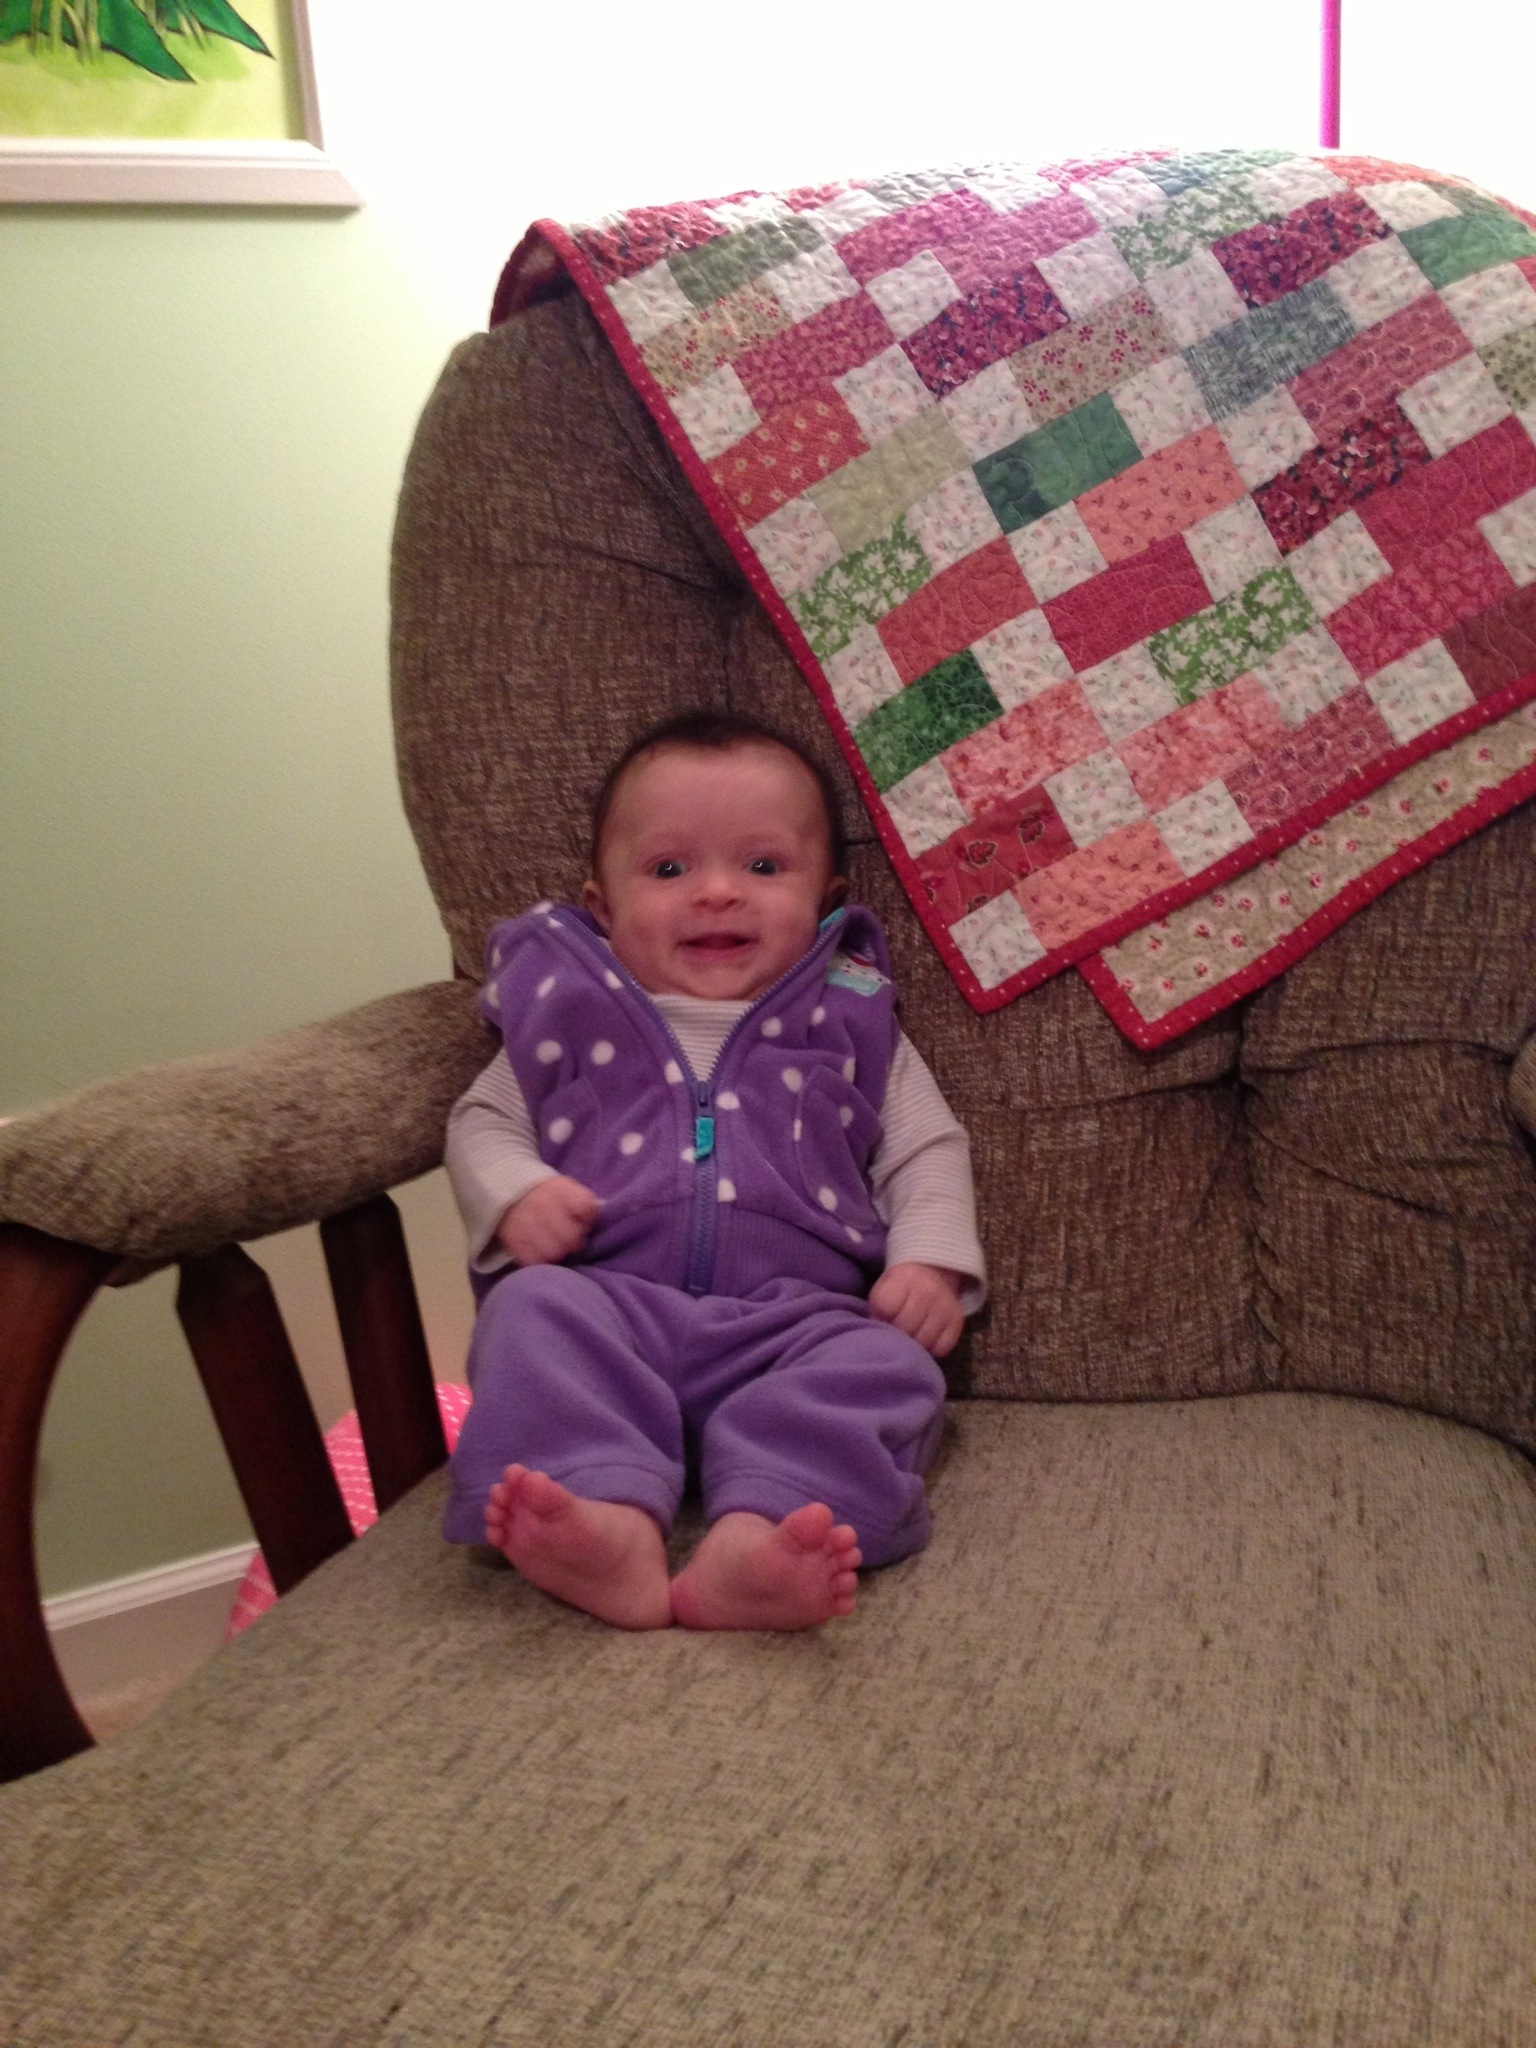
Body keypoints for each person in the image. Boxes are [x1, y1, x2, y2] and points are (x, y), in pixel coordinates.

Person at [442, 710, 985, 1631]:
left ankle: (759, 1539)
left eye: (765, 866)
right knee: (530, 1311)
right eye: (668, 870)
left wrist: (929, 1262)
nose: (719, 893)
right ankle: (605, 1521)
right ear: (602, 907)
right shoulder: (570, 1015)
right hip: (611, 1306)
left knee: (889, 1364)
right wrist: (513, 1195)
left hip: (794, 1325)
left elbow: (923, 1145)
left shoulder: (849, 1022)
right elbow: (482, 1120)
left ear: (826, 899)